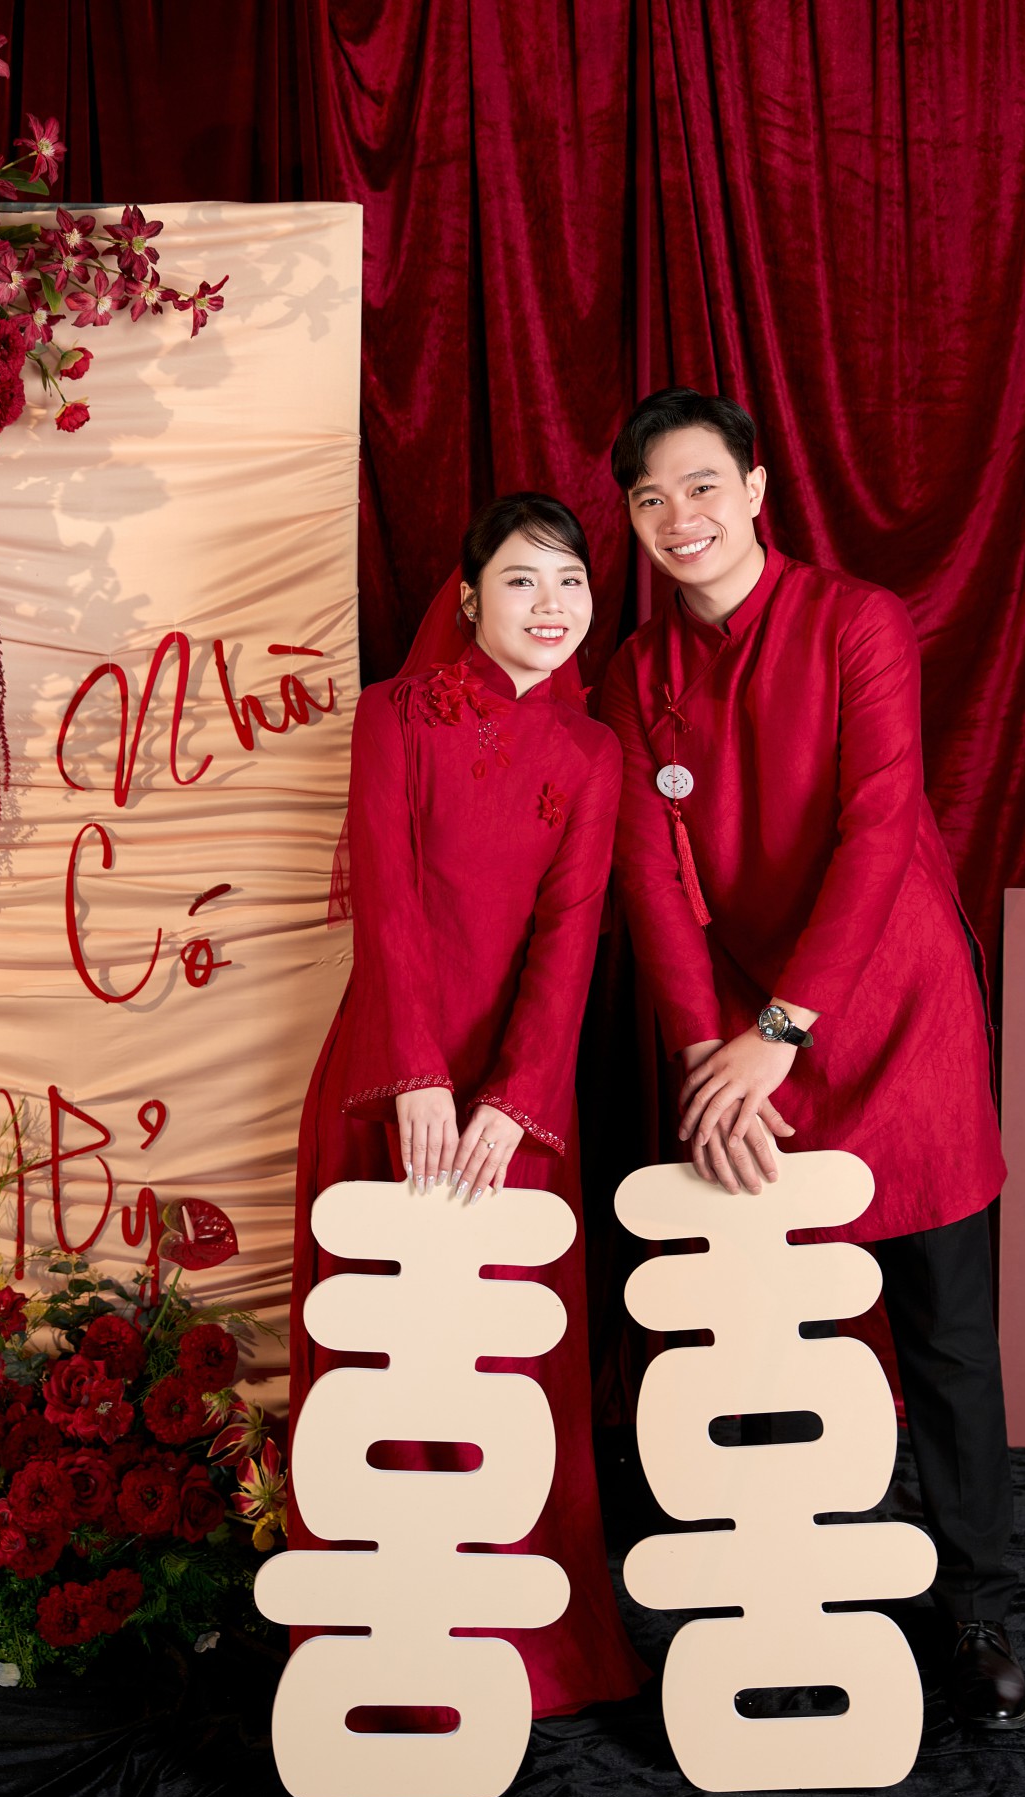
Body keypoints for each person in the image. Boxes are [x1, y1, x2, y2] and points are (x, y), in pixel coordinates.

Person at [600, 387, 1025, 1731]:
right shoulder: (634, 677)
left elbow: (878, 823)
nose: (679, 517)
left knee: (945, 1332)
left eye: (701, 486)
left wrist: (783, 1028)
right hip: (740, 1039)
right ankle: (782, 1590)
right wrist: (705, 1056)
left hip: (892, 1012)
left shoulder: (856, 622)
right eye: (650, 498)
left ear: (755, 488)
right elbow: (652, 884)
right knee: (760, 1330)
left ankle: (976, 1607)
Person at [290, 492, 646, 1718]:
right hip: (385, 1080)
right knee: (379, 1361)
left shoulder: (592, 754)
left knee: (504, 1365)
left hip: (516, 1109)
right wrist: (415, 1076)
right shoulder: (392, 715)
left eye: (570, 582)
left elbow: (568, 940)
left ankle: (520, 1649)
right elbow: (388, 901)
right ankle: (377, 1647)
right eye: (521, 580)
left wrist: (517, 1098)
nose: (550, 606)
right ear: (466, 595)